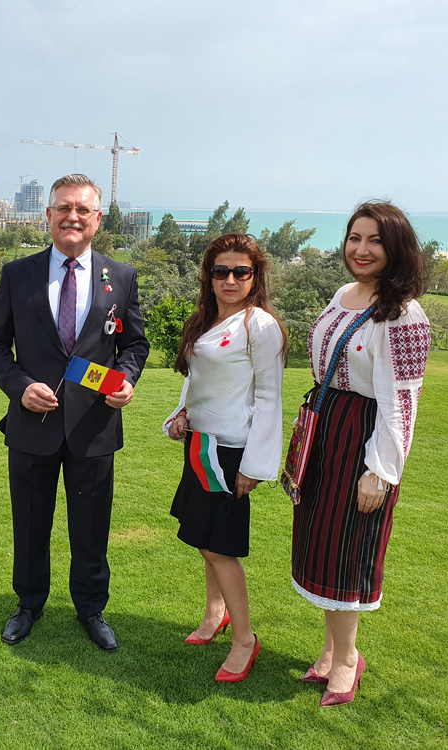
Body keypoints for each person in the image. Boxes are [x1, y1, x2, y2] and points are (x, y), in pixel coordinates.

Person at [0, 174, 149, 652]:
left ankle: (92, 609)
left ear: (97, 219)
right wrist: (19, 387)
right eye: (63, 208)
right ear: (48, 216)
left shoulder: (123, 276)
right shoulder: (18, 274)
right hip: (32, 424)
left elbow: (134, 342)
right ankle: (28, 604)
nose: (72, 217)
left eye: (83, 209)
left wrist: (128, 379)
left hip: (94, 427)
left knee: (91, 527)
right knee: (30, 523)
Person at [291, 200, 429, 706]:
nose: (362, 249)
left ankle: (348, 658)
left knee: (347, 548)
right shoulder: (343, 293)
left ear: (395, 248)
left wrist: (381, 469)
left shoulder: (402, 312)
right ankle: (330, 650)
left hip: (363, 437)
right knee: (320, 543)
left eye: (375, 240)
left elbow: (402, 400)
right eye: (355, 238)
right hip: (327, 428)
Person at [163, 234, 286, 682]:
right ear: (209, 276)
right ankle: (217, 613)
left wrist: (255, 466)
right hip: (200, 445)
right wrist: (178, 416)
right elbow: (196, 382)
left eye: (241, 271)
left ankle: (245, 640)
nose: (230, 279)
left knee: (220, 549)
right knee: (203, 540)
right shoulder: (205, 319)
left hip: (231, 452)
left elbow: (270, 398)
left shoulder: (260, 326)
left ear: (256, 277)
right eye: (221, 271)